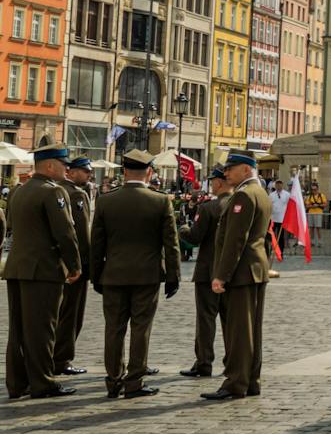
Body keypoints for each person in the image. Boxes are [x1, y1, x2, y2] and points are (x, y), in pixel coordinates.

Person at [89, 150, 181, 400]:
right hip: (146, 276)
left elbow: (96, 244)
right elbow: (171, 244)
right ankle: (134, 381)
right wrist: (173, 276)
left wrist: (95, 275)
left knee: (113, 329)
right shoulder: (160, 201)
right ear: (149, 172)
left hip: (114, 275)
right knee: (141, 328)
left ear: (123, 171)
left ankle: (113, 380)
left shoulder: (106, 201)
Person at [4, 143, 84, 400]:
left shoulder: (19, 191)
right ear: (50, 166)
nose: (66, 169)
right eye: (63, 164)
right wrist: (74, 265)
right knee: (42, 329)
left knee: (18, 329)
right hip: (44, 270)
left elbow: (14, 226)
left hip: (17, 267)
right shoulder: (53, 192)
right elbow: (65, 233)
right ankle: (42, 382)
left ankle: (17, 383)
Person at [203, 152, 272, 402]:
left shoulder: (243, 194)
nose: (226, 173)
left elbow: (235, 240)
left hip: (241, 272)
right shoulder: (260, 192)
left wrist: (221, 275)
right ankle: (251, 379)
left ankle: (235, 382)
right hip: (254, 270)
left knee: (239, 331)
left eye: (230, 169)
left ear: (245, 169)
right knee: (252, 330)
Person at [179, 168, 230, 379]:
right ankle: (232, 362)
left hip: (208, 270)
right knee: (230, 321)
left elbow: (195, 237)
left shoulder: (209, 207)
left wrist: (183, 229)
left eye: (212, 181)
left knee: (206, 319)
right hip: (231, 273)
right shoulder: (239, 203)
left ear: (218, 183)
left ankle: (204, 362)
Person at [53, 155, 96, 378]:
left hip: (55, 264)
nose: (89, 175)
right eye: (84, 171)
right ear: (71, 171)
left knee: (57, 313)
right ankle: (62, 359)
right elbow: (81, 233)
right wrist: (85, 263)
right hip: (75, 264)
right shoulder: (76, 194)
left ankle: (53, 356)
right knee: (72, 313)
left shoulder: (55, 189)